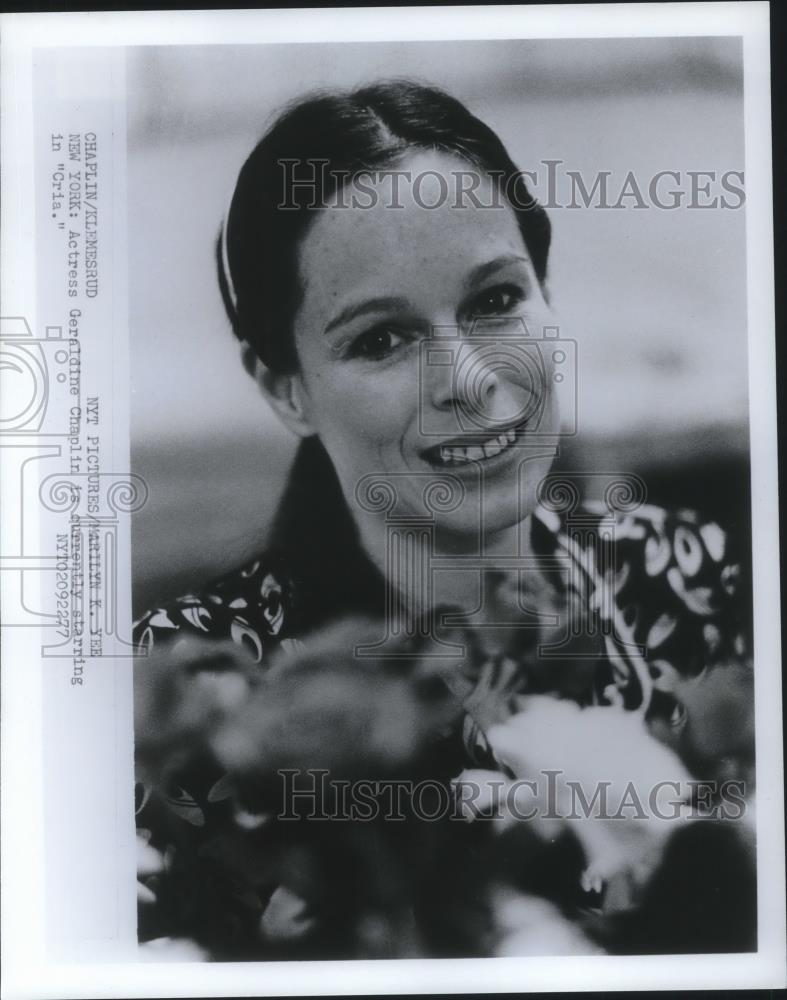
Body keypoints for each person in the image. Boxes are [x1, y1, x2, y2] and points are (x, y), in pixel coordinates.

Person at [133, 80, 754, 959]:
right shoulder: (189, 705)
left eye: (496, 300)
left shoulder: (702, 579)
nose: (465, 377)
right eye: (381, 339)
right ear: (284, 387)